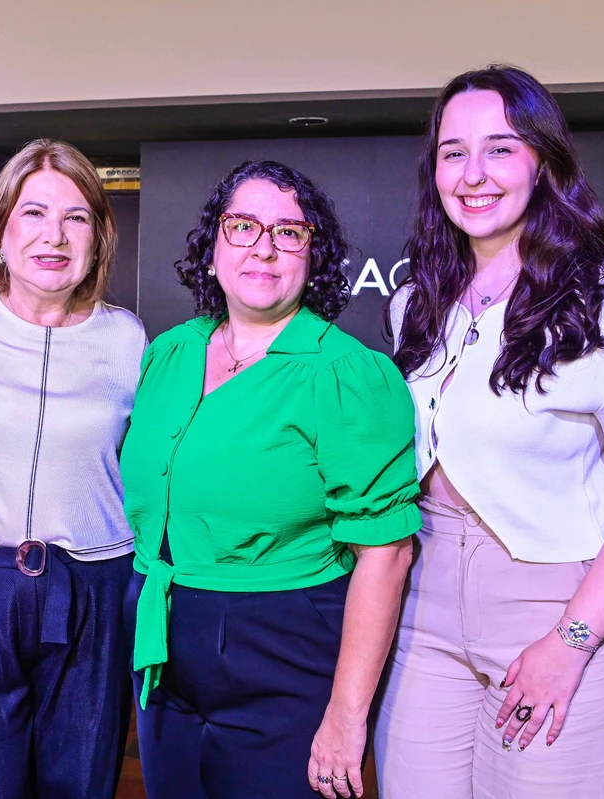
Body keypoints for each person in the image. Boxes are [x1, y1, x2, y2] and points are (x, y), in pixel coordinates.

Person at [375, 65, 604, 798]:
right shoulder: (416, 303)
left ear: (543, 161)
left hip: (555, 603)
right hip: (423, 606)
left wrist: (572, 640)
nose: (473, 173)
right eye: (453, 152)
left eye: (500, 147)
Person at [121, 160, 421, 799]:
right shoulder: (168, 354)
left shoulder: (347, 376)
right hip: (165, 638)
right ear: (211, 249)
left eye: (290, 232)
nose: (264, 246)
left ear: (314, 257)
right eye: (244, 226)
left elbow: (388, 555)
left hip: (284, 648)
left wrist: (345, 718)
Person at [0, 139, 148, 799]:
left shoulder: (126, 338)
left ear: (98, 239)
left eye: (76, 218)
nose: (55, 235)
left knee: (82, 779)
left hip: (95, 580)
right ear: (1, 231)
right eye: (34, 213)